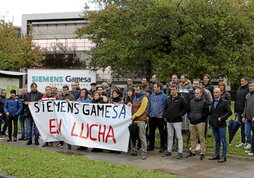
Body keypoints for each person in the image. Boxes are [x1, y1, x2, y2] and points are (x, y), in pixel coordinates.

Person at [162, 85, 188, 159]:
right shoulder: (168, 99)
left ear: (177, 90)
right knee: (170, 136)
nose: (172, 91)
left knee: (179, 137)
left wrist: (179, 115)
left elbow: (186, 108)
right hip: (169, 120)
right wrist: (166, 115)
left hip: (177, 121)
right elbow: (165, 107)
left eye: (174, 90)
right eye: (171, 90)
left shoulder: (181, 98)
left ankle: (180, 152)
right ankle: (169, 150)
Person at [209, 88, 232, 163]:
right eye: (214, 92)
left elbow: (229, 112)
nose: (215, 94)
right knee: (217, 140)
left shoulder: (224, 102)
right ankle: (217, 154)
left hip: (221, 125)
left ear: (220, 93)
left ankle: (224, 156)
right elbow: (212, 113)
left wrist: (222, 118)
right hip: (214, 124)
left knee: (223, 140)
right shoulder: (213, 102)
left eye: (217, 92)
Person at [186, 88, 209, 160]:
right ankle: (192, 151)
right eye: (195, 93)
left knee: (202, 138)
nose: (196, 95)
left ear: (201, 94)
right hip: (192, 122)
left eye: (197, 93)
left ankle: (202, 152)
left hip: (200, 123)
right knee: (192, 138)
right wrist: (189, 117)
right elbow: (188, 111)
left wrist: (201, 118)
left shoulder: (204, 102)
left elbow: (206, 112)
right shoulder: (191, 101)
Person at [129, 85, 149, 160]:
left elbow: (142, 109)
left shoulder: (144, 98)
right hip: (134, 120)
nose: (136, 91)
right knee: (134, 136)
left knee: (142, 137)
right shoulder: (135, 97)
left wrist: (135, 115)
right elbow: (134, 107)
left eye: (137, 90)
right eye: (135, 90)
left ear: (141, 90)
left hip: (141, 120)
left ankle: (144, 153)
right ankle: (134, 150)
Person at [147, 83, 167, 152]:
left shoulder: (164, 96)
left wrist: (162, 114)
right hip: (152, 117)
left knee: (162, 132)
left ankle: (162, 146)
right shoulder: (152, 96)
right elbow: (149, 106)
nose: (153, 88)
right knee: (151, 132)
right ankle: (151, 146)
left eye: (155, 87)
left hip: (159, 117)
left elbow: (165, 107)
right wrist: (148, 115)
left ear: (159, 88)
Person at [234, 77, 249, 148]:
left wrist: (245, 113)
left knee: (247, 128)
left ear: (246, 81)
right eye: (241, 81)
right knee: (242, 127)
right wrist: (235, 111)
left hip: (245, 112)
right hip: (239, 111)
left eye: (242, 81)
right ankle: (243, 141)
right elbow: (236, 100)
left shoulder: (248, 89)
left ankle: (248, 142)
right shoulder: (239, 89)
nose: (241, 82)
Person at [242, 80, 254, 155]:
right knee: (247, 132)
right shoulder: (247, 95)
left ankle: (253, 150)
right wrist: (244, 116)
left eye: (252, 85)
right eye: (250, 86)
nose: (250, 87)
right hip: (248, 118)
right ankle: (251, 147)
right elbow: (245, 107)